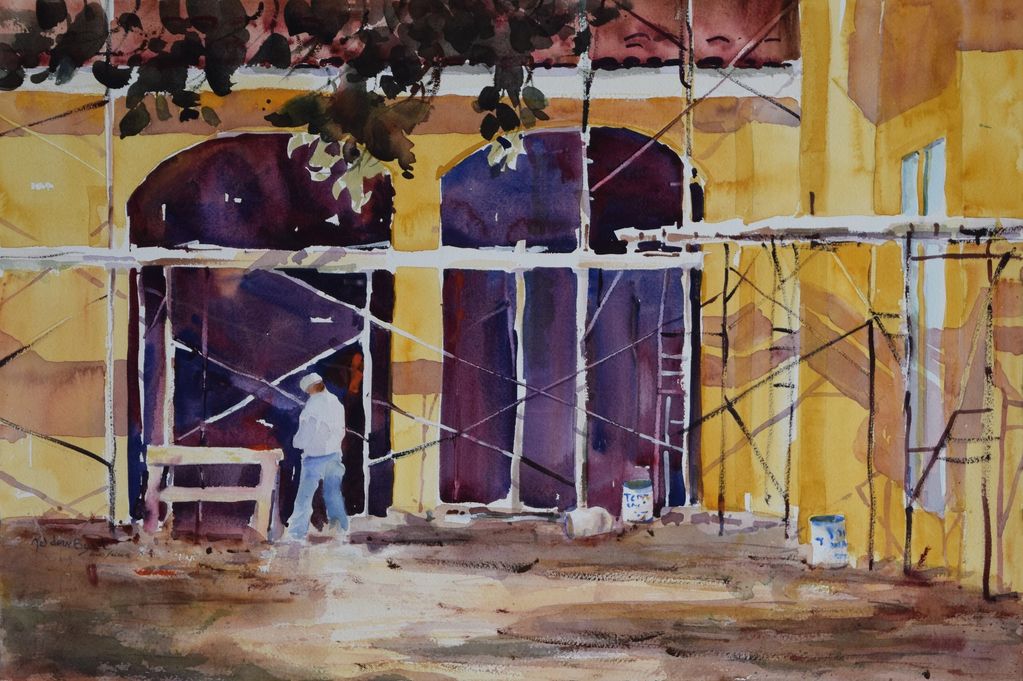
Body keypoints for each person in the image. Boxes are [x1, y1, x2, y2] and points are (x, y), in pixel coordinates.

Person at [284, 373, 349, 541]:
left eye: (307, 390)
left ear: (311, 388)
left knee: (304, 498)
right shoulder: (336, 402)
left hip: (314, 457)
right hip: (334, 455)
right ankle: (341, 530)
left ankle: (296, 533)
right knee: (333, 494)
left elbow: (307, 431)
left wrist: (296, 442)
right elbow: (341, 431)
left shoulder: (312, 405)